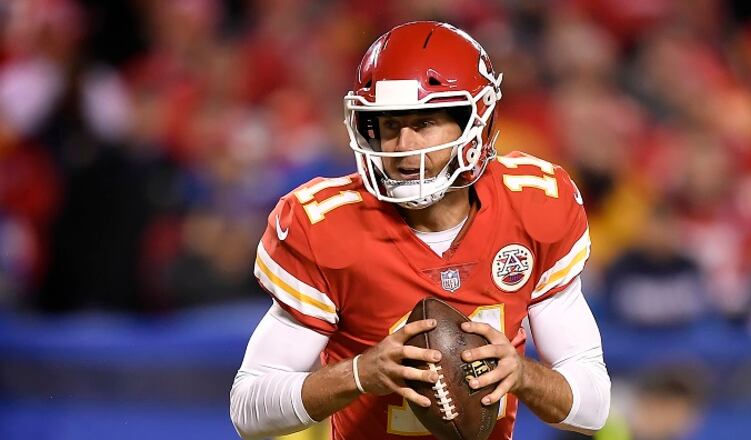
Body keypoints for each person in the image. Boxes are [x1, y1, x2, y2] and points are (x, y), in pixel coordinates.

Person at [230, 21, 611, 440]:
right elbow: (249, 409)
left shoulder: (534, 204)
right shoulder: (324, 225)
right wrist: (360, 374)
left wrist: (522, 375)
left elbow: (592, 409)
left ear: (475, 123)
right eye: (389, 125)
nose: (404, 145)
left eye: (425, 123)